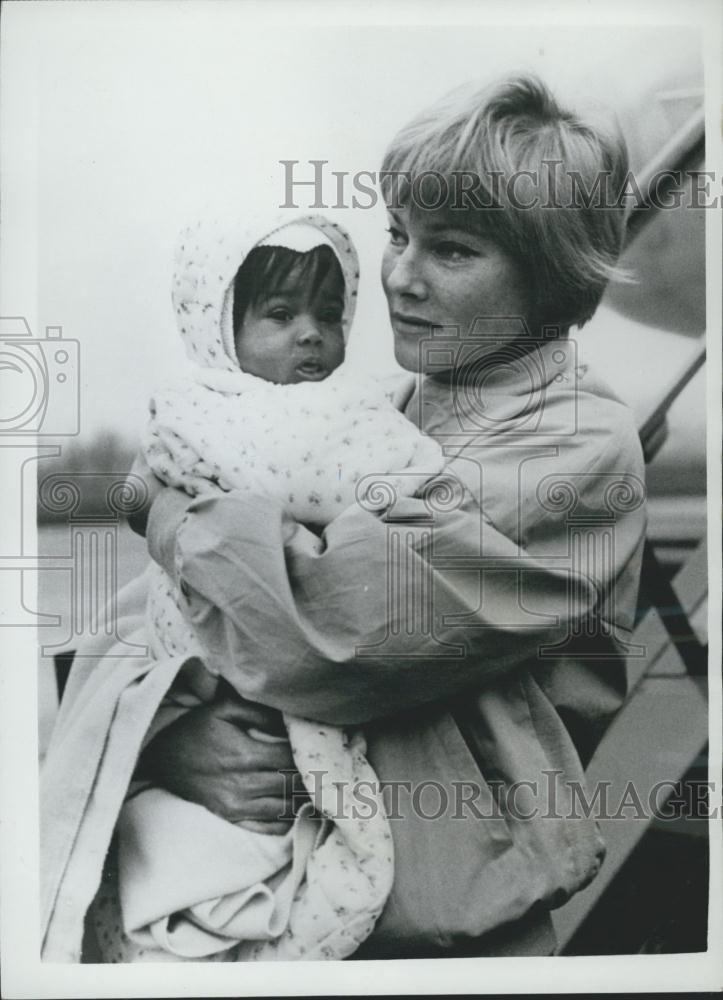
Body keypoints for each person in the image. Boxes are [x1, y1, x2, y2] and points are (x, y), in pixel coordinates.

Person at [41, 73, 647, 962]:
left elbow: (327, 626)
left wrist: (166, 513)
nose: (399, 276)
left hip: (443, 934)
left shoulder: (574, 447)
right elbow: (152, 624)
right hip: (297, 884)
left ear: (552, 278)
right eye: (398, 234)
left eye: (452, 251)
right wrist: (173, 744)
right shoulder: (387, 413)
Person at [90, 211, 446, 962]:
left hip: (261, 664)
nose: (311, 334)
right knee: (245, 822)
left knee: (263, 827)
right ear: (220, 329)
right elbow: (359, 475)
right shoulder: (234, 416)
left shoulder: (280, 410)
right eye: (279, 315)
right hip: (215, 657)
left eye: (327, 313)